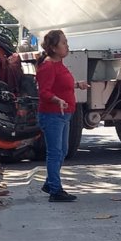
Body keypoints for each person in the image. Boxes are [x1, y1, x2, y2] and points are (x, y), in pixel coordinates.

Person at [36, 30, 88, 202]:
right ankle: (55, 191)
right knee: (55, 152)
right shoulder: (48, 66)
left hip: (64, 115)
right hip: (52, 116)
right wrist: (56, 100)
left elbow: (61, 83)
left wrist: (77, 85)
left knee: (63, 151)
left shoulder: (59, 64)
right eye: (64, 43)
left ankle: (50, 183)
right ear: (53, 47)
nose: (67, 46)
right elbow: (44, 91)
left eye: (66, 42)